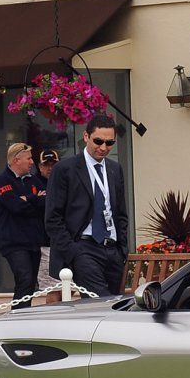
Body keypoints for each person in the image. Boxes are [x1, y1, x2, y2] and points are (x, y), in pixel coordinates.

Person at [46, 114, 129, 296]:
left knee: (114, 306)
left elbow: (121, 213)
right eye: (98, 141)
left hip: (112, 249)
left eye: (109, 143)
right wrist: (72, 251)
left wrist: (122, 249)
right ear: (86, 137)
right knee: (100, 304)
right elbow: (52, 218)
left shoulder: (115, 169)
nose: (103, 147)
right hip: (84, 248)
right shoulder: (65, 169)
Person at [0, 143, 46, 309]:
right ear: (17, 160)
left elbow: (46, 201)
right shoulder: (2, 181)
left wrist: (26, 198)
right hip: (14, 243)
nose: (32, 162)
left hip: (33, 241)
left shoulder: (34, 180)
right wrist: (34, 198)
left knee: (30, 283)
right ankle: (17, 317)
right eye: (29, 158)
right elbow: (16, 207)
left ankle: (24, 316)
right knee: (24, 278)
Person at [35, 149, 58, 289]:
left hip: (63, 243)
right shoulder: (34, 182)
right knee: (51, 288)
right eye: (46, 165)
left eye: (53, 164)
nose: (50, 168)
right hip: (44, 243)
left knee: (70, 286)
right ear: (40, 167)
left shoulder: (64, 181)